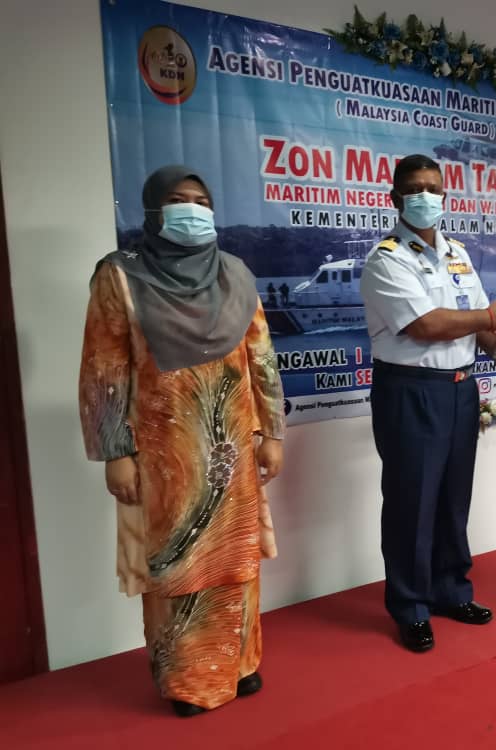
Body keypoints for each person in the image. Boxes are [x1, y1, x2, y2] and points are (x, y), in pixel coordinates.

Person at [79, 166, 285, 717]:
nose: (191, 209)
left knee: (236, 555)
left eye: (200, 200)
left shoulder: (236, 273)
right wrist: (116, 452)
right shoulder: (121, 275)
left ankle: (240, 663)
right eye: (177, 199)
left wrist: (272, 432)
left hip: (233, 447)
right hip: (165, 453)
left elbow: (261, 357)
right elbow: (104, 368)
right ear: (153, 209)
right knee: (179, 561)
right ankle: (188, 680)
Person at [359, 154, 496, 653]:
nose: (426, 197)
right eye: (415, 189)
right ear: (395, 198)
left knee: (453, 498)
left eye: (434, 188)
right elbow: (426, 324)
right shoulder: (387, 259)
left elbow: (477, 325)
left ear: (445, 195)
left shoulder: (458, 254)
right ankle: (410, 605)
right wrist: (489, 318)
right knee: (411, 501)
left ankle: (451, 590)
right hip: (411, 392)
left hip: (460, 389)